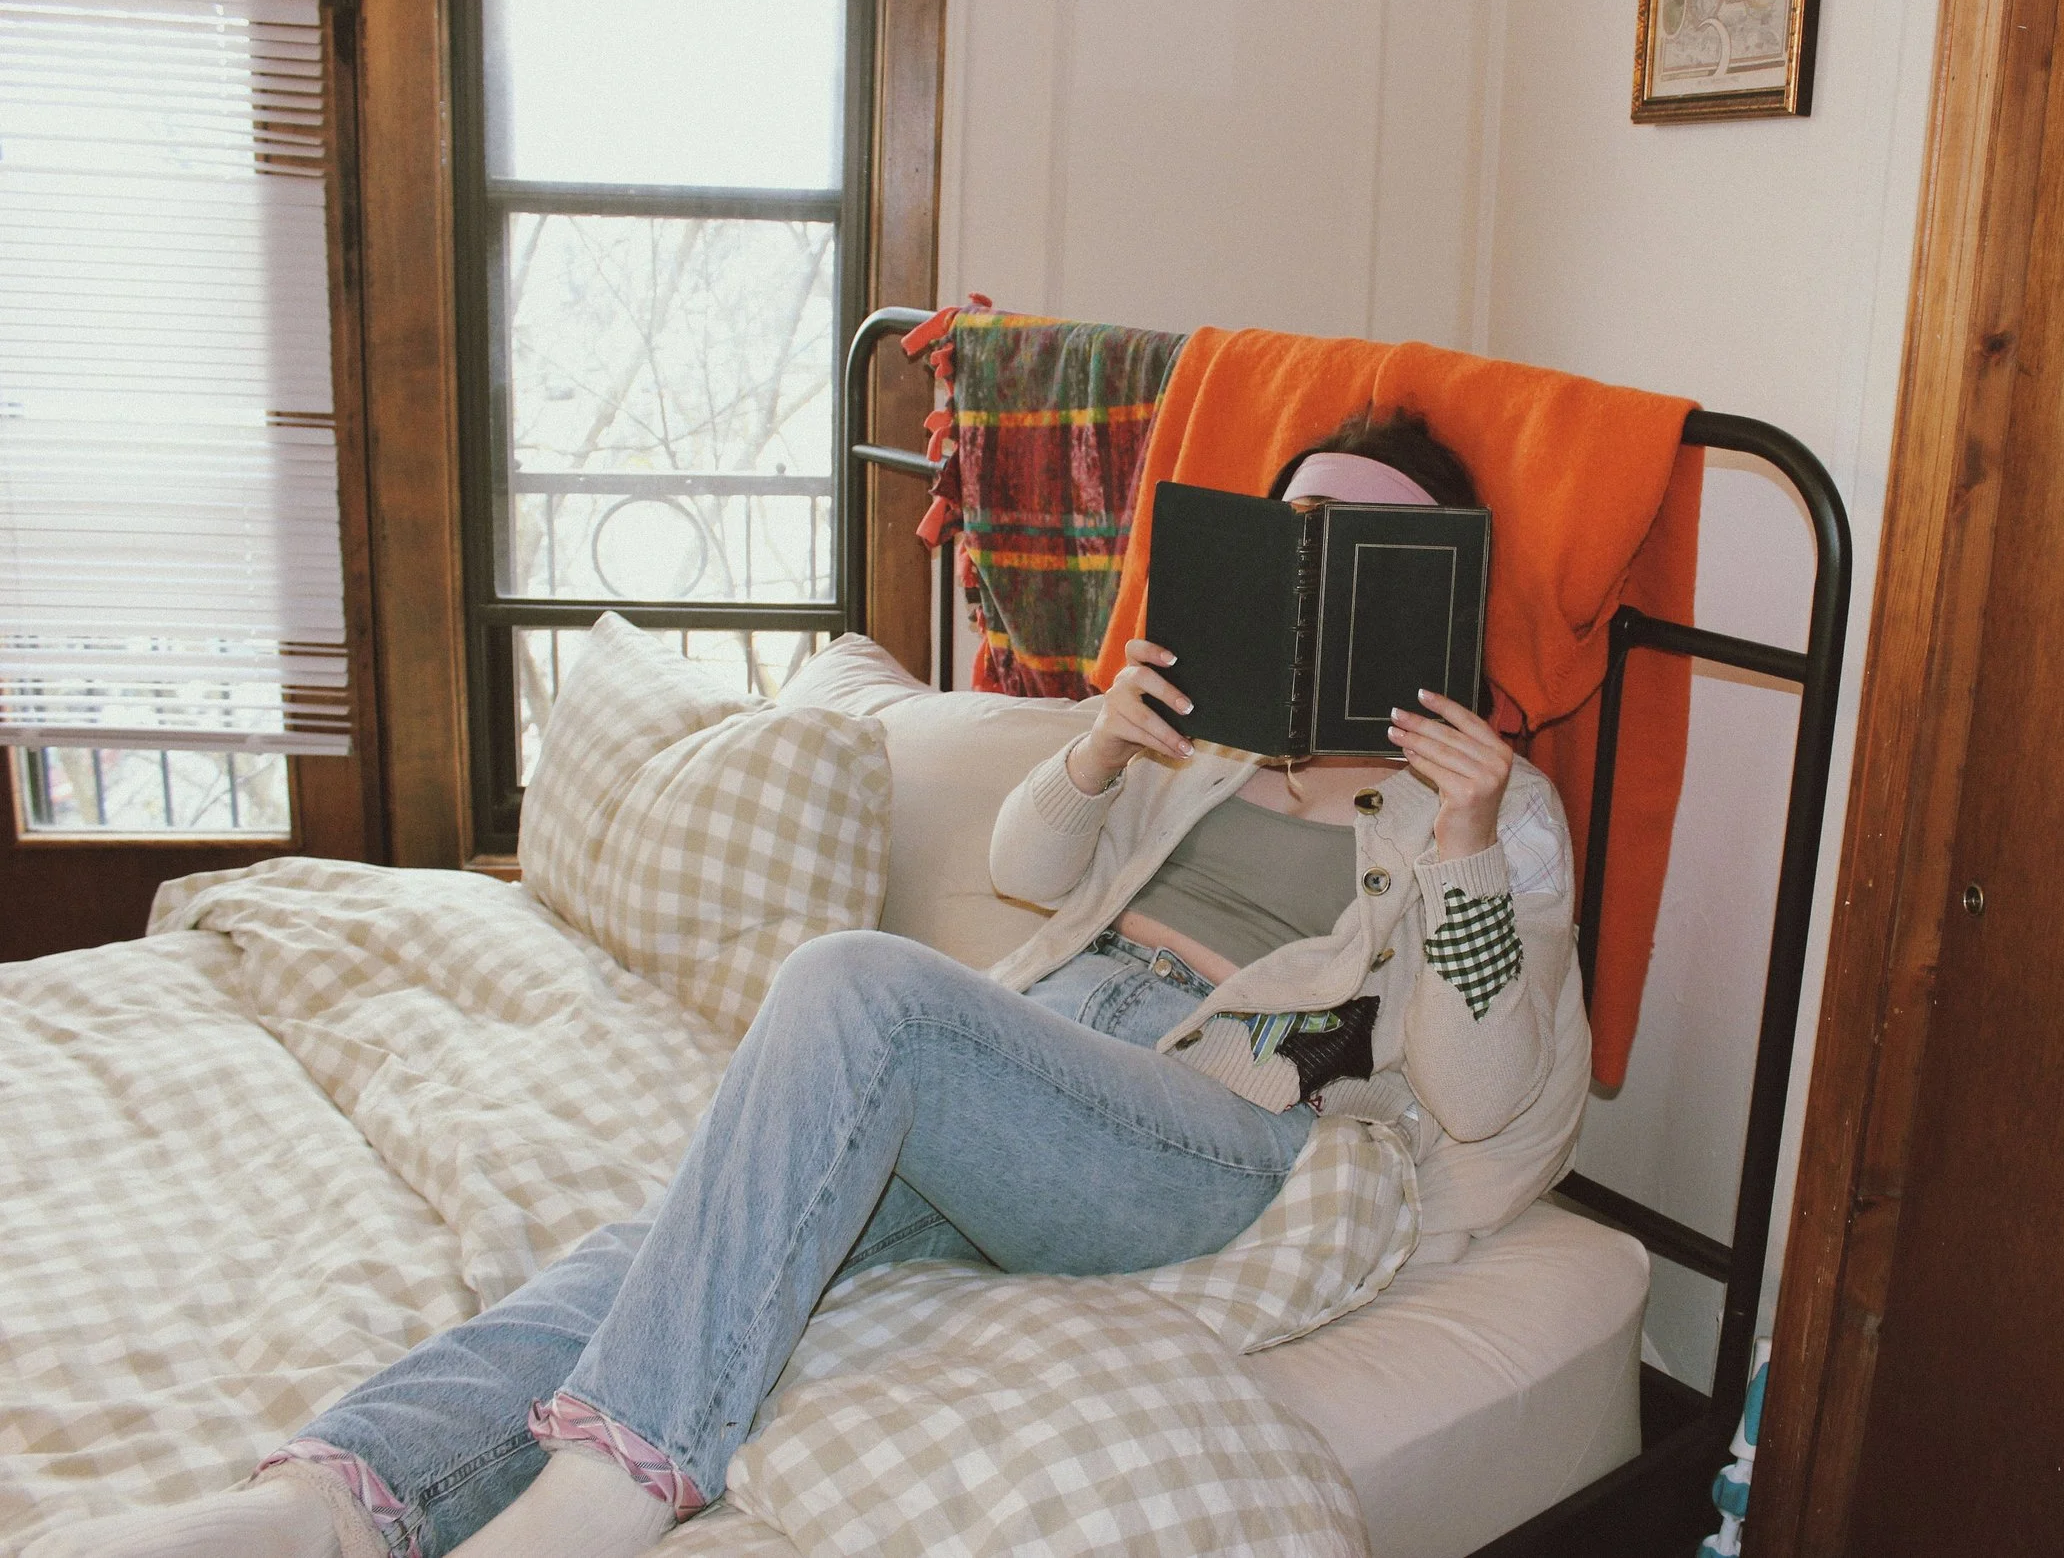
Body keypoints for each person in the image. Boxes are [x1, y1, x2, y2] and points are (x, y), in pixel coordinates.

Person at [36, 410, 1584, 1558]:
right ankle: (321, 1505)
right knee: (667, 1240)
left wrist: (1458, 841)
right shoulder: (1219, 735)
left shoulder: (1493, 808)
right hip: (1048, 1063)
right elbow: (1038, 872)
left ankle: (618, 1482)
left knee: (857, 986)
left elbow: (1482, 1091)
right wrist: (1101, 745)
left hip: (1211, 1125)